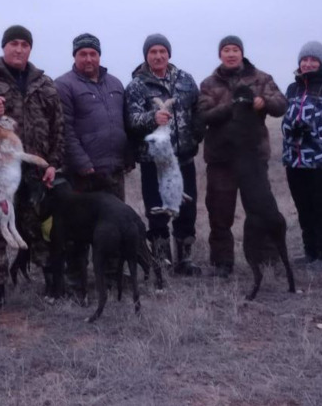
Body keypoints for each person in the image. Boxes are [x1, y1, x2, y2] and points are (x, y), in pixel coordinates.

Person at [0, 25, 63, 308]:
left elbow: (59, 127)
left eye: (24, 44)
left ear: (30, 48)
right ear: (4, 46)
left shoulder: (44, 83)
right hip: (0, 172)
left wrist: (53, 163)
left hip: (34, 170)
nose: (19, 49)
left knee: (39, 225)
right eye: (13, 44)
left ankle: (50, 278)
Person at [198, 35, 286, 278]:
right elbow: (203, 115)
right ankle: (222, 263)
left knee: (260, 208)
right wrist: (235, 104)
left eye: (235, 49)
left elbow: (281, 105)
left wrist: (263, 102)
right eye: (226, 50)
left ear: (242, 53)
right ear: (220, 55)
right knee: (219, 212)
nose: (231, 54)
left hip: (253, 158)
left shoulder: (261, 78)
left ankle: (267, 258)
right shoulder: (208, 84)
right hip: (221, 159)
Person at [125, 33, 203, 277]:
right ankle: (162, 261)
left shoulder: (185, 80)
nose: (158, 56)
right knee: (157, 211)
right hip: (154, 161)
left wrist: (197, 133)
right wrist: (152, 118)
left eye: (162, 51)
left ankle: (185, 260)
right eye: (153, 52)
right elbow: (131, 120)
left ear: (169, 54)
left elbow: (198, 109)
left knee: (186, 210)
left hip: (183, 159)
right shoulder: (137, 85)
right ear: (146, 56)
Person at [281, 41, 322, 269]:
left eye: (313, 60)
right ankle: (310, 251)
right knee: (304, 208)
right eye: (304, 60)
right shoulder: (292, 89)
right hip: (295, 160)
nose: (308, 64)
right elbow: (286, 119)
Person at [54, 33, 128, 198]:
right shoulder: (63, 85)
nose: (88, 59)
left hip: (114, 171)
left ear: (99, 56)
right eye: (83, 54)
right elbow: (64, 129)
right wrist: (82, 164)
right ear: (75, 56)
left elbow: (125, 123)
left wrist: (127, 158)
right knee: (86, 223)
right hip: (84, 175)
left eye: (93, 54)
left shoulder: (115, 83)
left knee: (117, 221)